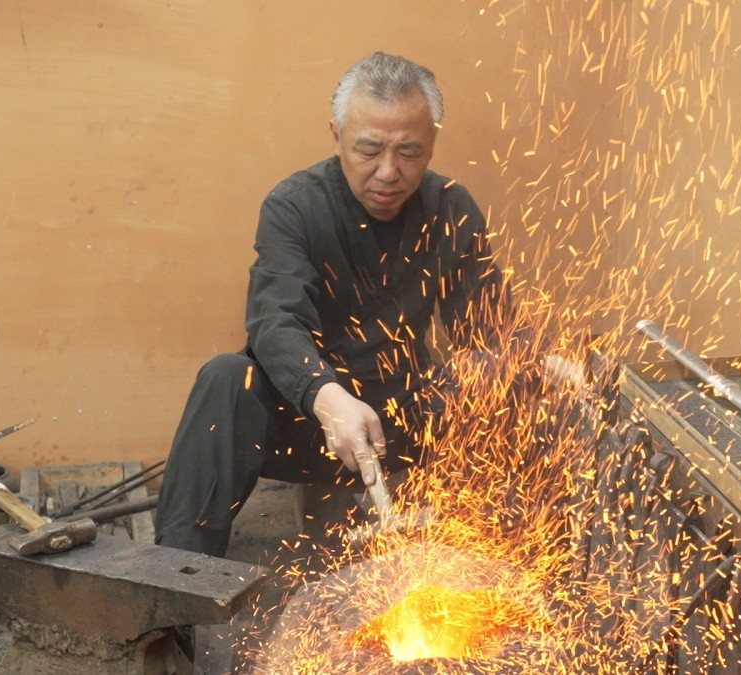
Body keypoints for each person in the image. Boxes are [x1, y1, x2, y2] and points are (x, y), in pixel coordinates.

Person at [154, 52, 512, 558]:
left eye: (409, 151)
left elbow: (489, 332)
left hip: (406, 419)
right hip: (309, 423)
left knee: (509, 381)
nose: (388, 172)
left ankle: (509, 565)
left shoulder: (450, 207)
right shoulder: (294, 206)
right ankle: (175, 581)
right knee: (225, 379)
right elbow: (275, 321)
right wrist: (327, 398)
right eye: (369, 149)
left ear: (432, 142)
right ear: (336, 135)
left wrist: (531, 364)